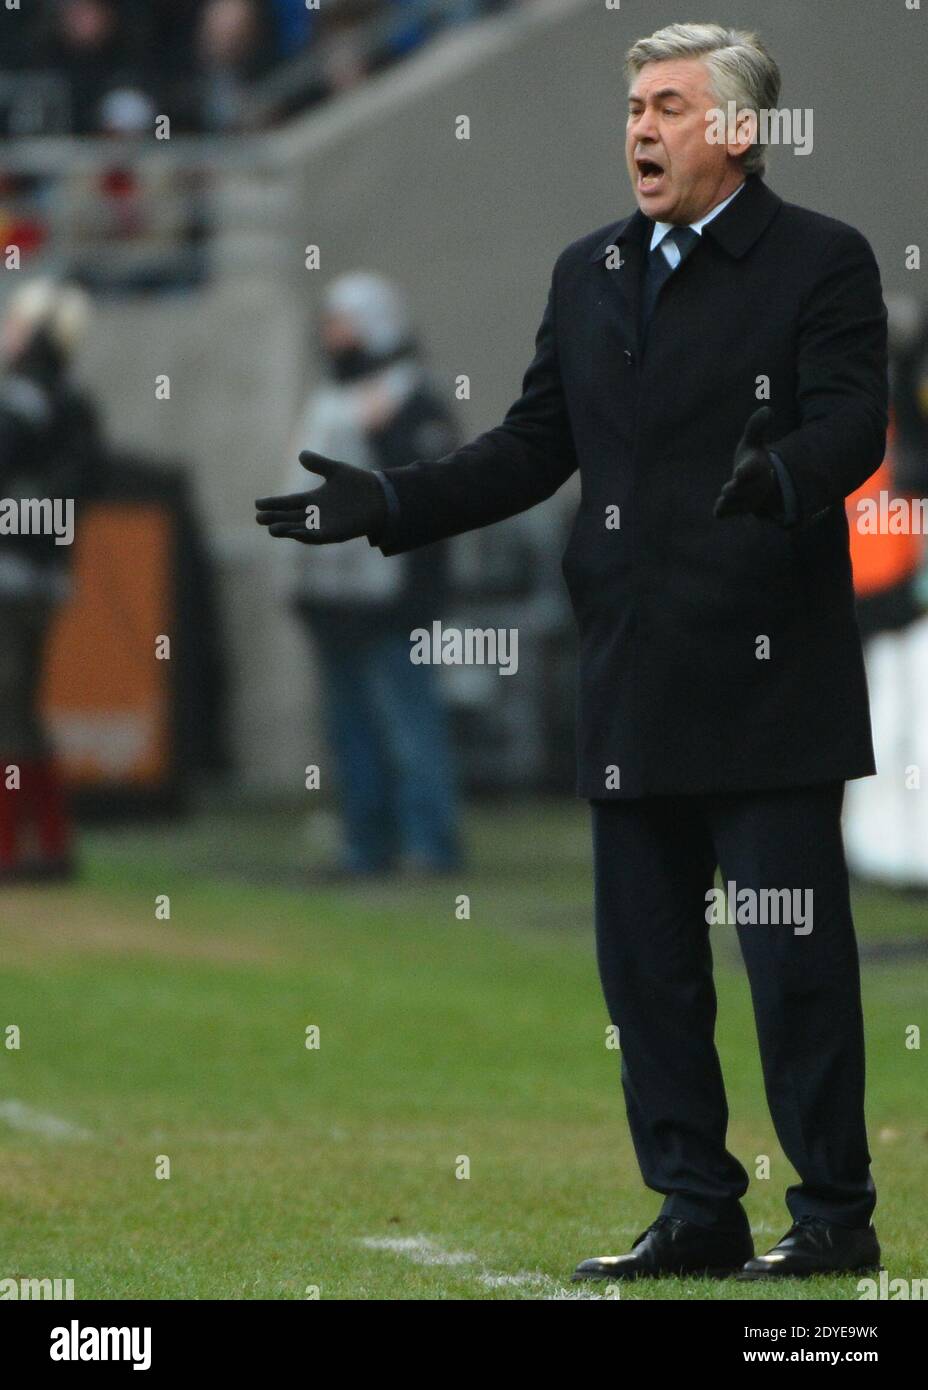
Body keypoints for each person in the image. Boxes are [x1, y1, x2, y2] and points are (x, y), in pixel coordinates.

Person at [257, 23, 888, 1280]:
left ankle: (831, 1217)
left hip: (767, 685)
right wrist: (392, 501)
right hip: (632, 676)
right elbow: (532, 443)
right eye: (633, 109)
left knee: (791, 967)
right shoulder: (588, 268)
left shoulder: (823, 259)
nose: (640, 131)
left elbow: (855, 423)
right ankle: (694, 1208)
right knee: (646, 973)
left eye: (667, 107)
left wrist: (783, 480)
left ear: (737, 130)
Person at [280, 272, 460, 877]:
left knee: (408, 726)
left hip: (394, 599)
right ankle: (366, 843)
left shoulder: (413, 400)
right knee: (350, 733)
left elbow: (436, 497)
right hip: (332, 599)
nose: (333, 338)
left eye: (345, 324)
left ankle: (429, 844)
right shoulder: (331, 401)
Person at [0, 279, 100, 880]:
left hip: (13, 579)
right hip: (41, 577)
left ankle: (14, 847)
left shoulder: (22, 401)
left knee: (8, 711)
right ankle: (52, 846)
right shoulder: (73, 403)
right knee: (20, 710)